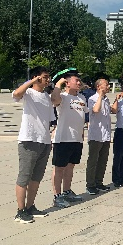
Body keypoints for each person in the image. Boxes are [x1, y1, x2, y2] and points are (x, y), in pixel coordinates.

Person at [12, 66, 55, 223]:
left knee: (36, 177)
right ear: (36, 77)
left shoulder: (46, 97)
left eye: (48, 77)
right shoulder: (28, 93)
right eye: (45, 77)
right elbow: (16, 94)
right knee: (24, 176)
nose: (47, 79)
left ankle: (30, 207)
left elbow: (50, 119)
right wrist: (31, 81)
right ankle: (20, 211)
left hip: (44, 140)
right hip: (29, 140)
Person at [51, 72, 88, 208]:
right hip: (63, 138)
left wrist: (82, 134)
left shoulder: (82, 97)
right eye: (76, 80)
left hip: (76, 138)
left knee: (70, 166)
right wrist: (58, 84)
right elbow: (54, 100)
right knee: (59, 168)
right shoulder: (62, 97)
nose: (79, 82)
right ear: (67, 83)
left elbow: (82, 116)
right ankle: (57, 196)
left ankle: (67, 191)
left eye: (79, 80)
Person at [86, 79, 115, 195]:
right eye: (106, 85)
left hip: (105, 135)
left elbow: (113, 111)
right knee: (93, 161)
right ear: (98, 86)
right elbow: (96, 110)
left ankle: (99, 182)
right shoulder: (92, 99)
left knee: (103, 161)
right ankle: (90, 184)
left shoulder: (106, 99)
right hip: (96, 135)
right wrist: (100, 97)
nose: (108, 87)